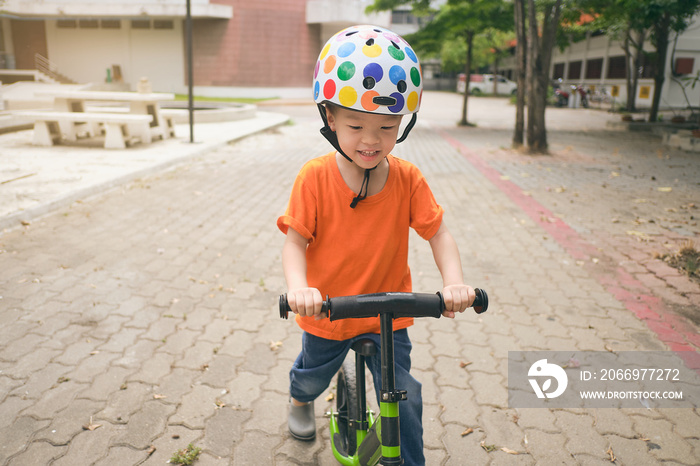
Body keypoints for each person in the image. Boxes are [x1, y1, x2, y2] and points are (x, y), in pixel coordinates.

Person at [277, 24, 475, 465]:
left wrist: (454, 283)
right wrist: (299, 288)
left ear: (403, 123)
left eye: (387, 127)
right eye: (356, 125)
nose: (371, 140)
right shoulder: (314, 177)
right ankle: (299, 400)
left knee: (405, 397)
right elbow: (294, 243)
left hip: (387, 315)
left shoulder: (406, 179)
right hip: (328, 311)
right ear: (330, 119)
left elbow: (438, 232)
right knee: (311, 377)